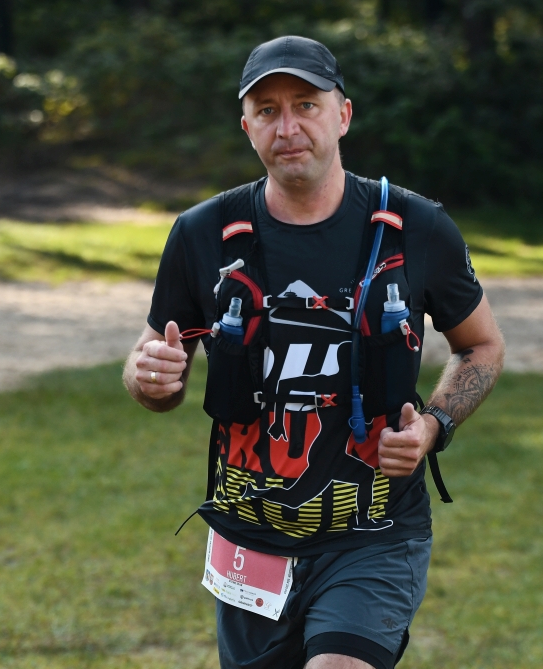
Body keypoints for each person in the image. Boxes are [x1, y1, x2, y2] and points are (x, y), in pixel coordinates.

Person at [123, 36, 505, 669]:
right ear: (247, 127)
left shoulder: (417, 228)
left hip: (374, 534)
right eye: (267, 111)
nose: (288, 127)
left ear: (343, 115)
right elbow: (154, 369)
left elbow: (482, 346)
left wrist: (435, 425)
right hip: (250, 538)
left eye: (306, 104)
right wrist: (149, 378)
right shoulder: (202, 233)